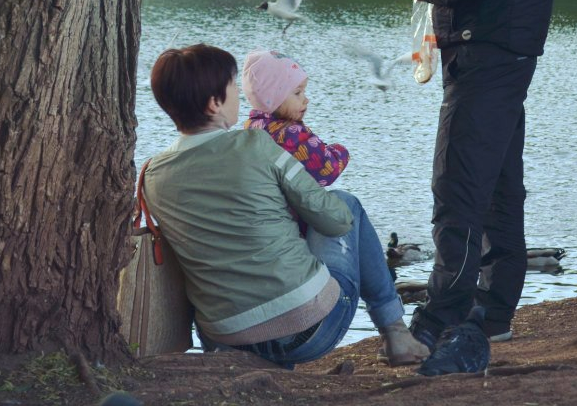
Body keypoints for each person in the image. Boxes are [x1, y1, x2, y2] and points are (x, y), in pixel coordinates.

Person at [144, 44, 428, 367]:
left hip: (224, 338)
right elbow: (335, 221)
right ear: (214, 103)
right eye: (233, 86)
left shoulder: (152, 175)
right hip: (309, 331)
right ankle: (396, 333)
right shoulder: (256, 145)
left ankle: (272, 367)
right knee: (345, 203)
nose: (240, 94)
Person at [395, 0, 557, 349]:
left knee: (458, 187)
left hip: (486, 56)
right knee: (498, 188)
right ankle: (492, 313)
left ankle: (441, 319)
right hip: (506, 54)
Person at [242, 49, 350, 193]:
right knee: (346, 200)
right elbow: (326, 171)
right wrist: (340, 151)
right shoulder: (291, 134)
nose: (306, 100)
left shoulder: (251, 127)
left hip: (268, 201)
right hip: (289, 206)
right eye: (298, 93)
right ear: (274, 97)